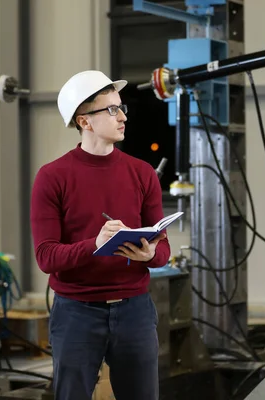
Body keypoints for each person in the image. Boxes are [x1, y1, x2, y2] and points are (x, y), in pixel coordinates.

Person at [30, 70, 171, 400]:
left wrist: (151, 255)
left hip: (135, 310)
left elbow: (163, 249)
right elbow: (46, 256)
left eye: (121, 108)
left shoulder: (142, 173)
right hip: (77, 312)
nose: (122, 117)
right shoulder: (52, 177)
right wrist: (95, 244)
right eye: (111, 110)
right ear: (84, 121)